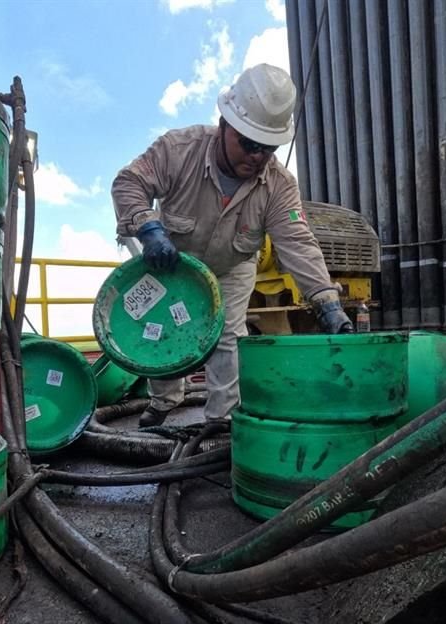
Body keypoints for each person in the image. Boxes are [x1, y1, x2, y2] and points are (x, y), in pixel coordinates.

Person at [111, 63, 353, 429]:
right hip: (172, 260)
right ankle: (164, 400)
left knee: (228, 336)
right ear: (225, 125)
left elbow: (298, 242)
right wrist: (148, 228)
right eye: (249, 143)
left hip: (232, 266)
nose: (257, 156)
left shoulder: (279, 186)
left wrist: (327, 302)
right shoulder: (179, 149)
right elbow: (128, 183)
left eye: (267, 148)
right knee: (162, 326)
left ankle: (221, 421)